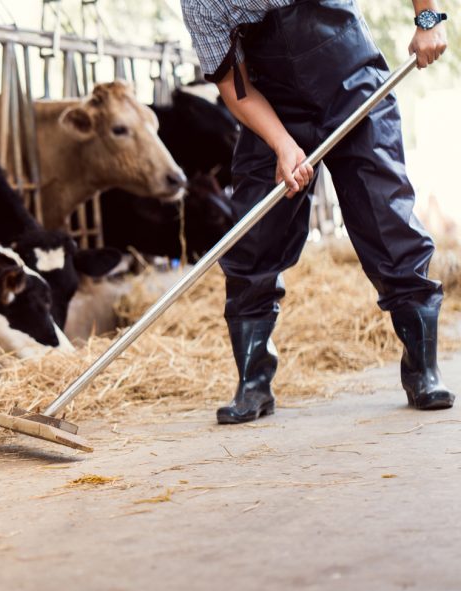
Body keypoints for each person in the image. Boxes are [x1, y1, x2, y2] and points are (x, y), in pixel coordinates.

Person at [181, 0, 454, 423]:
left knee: (388, 225)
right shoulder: (201, 4)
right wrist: (282, 144)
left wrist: (428, 19)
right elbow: (233, 85)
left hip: (354, 86)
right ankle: (253, 383)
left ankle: (422, 368)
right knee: (252, 240)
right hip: (272, 107)